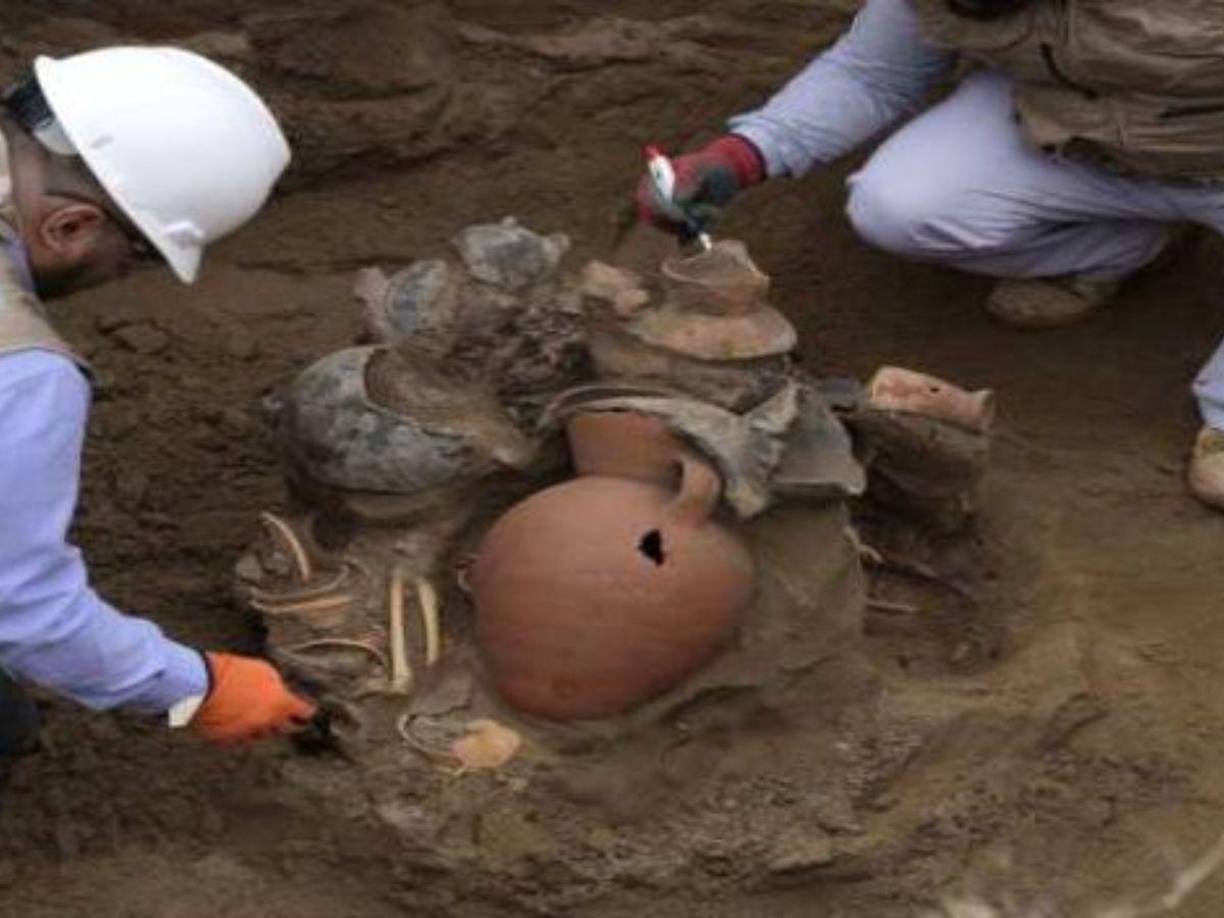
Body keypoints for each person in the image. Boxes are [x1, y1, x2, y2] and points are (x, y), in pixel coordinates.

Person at [637, 0, 1224, 510]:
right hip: (1074, 127)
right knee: (902, 206)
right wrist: (741, 156)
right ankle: (1122, 248)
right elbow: (873, 75)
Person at [0, 46, 316, 784]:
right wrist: (197, 691)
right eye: (135, 255)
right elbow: (23, 614)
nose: (122, 276)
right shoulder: (22, 371)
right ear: (71, 228)